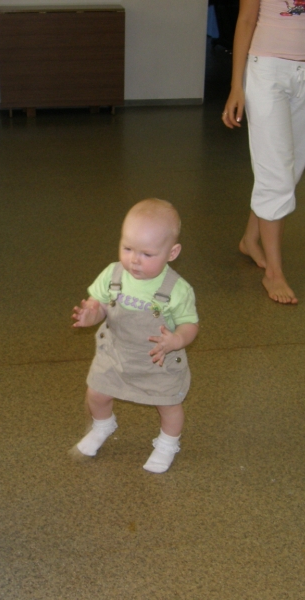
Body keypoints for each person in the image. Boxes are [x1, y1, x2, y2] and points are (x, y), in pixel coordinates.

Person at [222, 0, 305, 304]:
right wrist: (236, 86)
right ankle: (274, 273)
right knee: (276, 174)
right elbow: (246, 20)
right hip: (268, 71)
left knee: (288, 173)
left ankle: (250, 239)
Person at [72, 199, 199, 474]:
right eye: (127, 248)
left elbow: (190, 324)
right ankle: (103, 425)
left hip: (158, 361)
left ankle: (167, 443)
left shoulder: (177, 289)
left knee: (168, 405)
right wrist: (91, 314)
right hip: (116, 353)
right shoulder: (113, 274)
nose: (134, 260)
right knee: (97, 393)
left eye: (147, 254)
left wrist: (177, 340)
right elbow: (100, 303)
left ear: (172, 252)